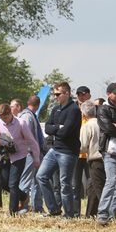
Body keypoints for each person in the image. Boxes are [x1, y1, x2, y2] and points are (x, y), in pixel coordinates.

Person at [36, 82, 82, 218]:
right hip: (54, 150)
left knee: (64, 184)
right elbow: (48, 128)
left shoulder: (73, 110)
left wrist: (56, 129)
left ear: (67, 93)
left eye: (58, 94)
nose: (55, 97)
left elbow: (65, 132)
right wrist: (58, 127)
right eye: (54, 94)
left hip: (68, 152)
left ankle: (69, 215)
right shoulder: (56, 109)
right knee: (41, 176)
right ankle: (54, 209)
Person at [0, 104, 41, 215]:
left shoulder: (21, 123)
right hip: (5, 157)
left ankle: (13, 212)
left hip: (19, 156)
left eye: (6, 117)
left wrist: (36, 158)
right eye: (2, 118)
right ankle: (23, 196)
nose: (4, 120)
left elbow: (32, 141)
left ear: (10, 113)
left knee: (13, 184)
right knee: (4, 184)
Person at [96, 83, 116, 225]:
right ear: (109, 94)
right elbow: (108, 128)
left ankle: (112, 215)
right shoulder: (103, 109)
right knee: (111, 181)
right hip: (109, 151)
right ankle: (102, 213)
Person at [15, 96, 45, 212]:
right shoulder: (27, 116)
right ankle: (23, 207)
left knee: (37, 180)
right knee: (26, 181)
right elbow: (26, 136)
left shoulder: (30, 115)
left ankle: (37, 206)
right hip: (30, 153)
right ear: (38, 105)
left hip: (34, 152)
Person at [78, 101, 104, 218]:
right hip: (105, 158)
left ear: (83, 113)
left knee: (98, 188)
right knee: (92, 187)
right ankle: (90, 214)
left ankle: (105, 213)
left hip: (95, 159)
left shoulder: (87, 125)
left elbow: (83, 146)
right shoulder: (101, 123)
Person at [73, 86, 92, 216]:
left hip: (91, 153)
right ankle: (75, 212)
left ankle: (91, 213)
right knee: (75, 185)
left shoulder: (93, 109)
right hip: (76, 152)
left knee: (92, 183)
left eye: (83, 94)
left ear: (89, 95)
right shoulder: (73, 109)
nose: (81, 96)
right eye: (79, 94)